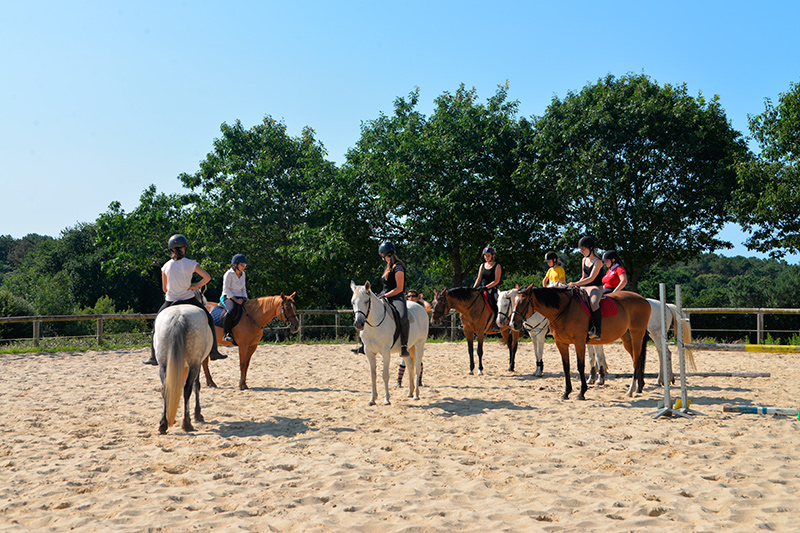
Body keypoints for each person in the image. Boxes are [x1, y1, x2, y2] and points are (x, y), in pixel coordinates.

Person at [143, 234, 226, 365]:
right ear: (184, 248)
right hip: (188, 298)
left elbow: (164, 289)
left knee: (156, 324)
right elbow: (207, 277)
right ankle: (214, 352)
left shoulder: (165, 266)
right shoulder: (191, 264)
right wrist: (195, 287)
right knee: (209, 320)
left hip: (170, 300)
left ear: (171, 249)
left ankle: (153, 356)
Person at [567, 236, 604, 340]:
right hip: (584, 286)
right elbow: (584, 277)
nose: (581, 252)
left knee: (593, 303)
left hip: (595, 287)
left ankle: (597, 330)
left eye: (583, 249)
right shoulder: (584, 260)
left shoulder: (598, 262)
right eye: (581, 250)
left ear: (591, 248)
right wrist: (578, 284)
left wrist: (575, 283)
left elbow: (591, 278)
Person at [378, 241, 410, 357]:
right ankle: (363, 344)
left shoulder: (398, 268)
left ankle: (404, 346)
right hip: (384, 294)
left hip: (396, 296)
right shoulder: (388, 266)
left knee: (403, 317)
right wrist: (382, 295)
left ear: (384, 254)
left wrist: (386, 296)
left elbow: (399, 288)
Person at [397, 290, 427, 387]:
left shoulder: (419, 309)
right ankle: (399, 380)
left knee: (419, 358)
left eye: (414, 296)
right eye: (409, 296)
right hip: (408, 334)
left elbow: (428, 307)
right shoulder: (404, 307)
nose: (411, 298)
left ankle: (419, 380)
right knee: (404, 359)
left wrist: (421, 300)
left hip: (417, 334)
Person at [221, 254, 248, 344]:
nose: (243, 267)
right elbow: (226, 289)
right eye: (242, 265)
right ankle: (226, 334)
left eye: (244, 265)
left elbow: (243, 288)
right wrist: (236, 300)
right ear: (235, 265)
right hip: (228, 296)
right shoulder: (228, 274)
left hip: (240, 296)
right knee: (232, 310)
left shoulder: (243, 274)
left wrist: (245, 298)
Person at [473, 246, 502, 315]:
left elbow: (496, 280)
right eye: (485, 256)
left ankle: (497, 320)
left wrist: (487, 287)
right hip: (481, 288)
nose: (486, 257)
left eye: (488, 256)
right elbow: (479, 278)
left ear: (493, 255)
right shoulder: (482, 265)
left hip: (492, 289)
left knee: (497, 302)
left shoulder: (497, 266)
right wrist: (473, 288)